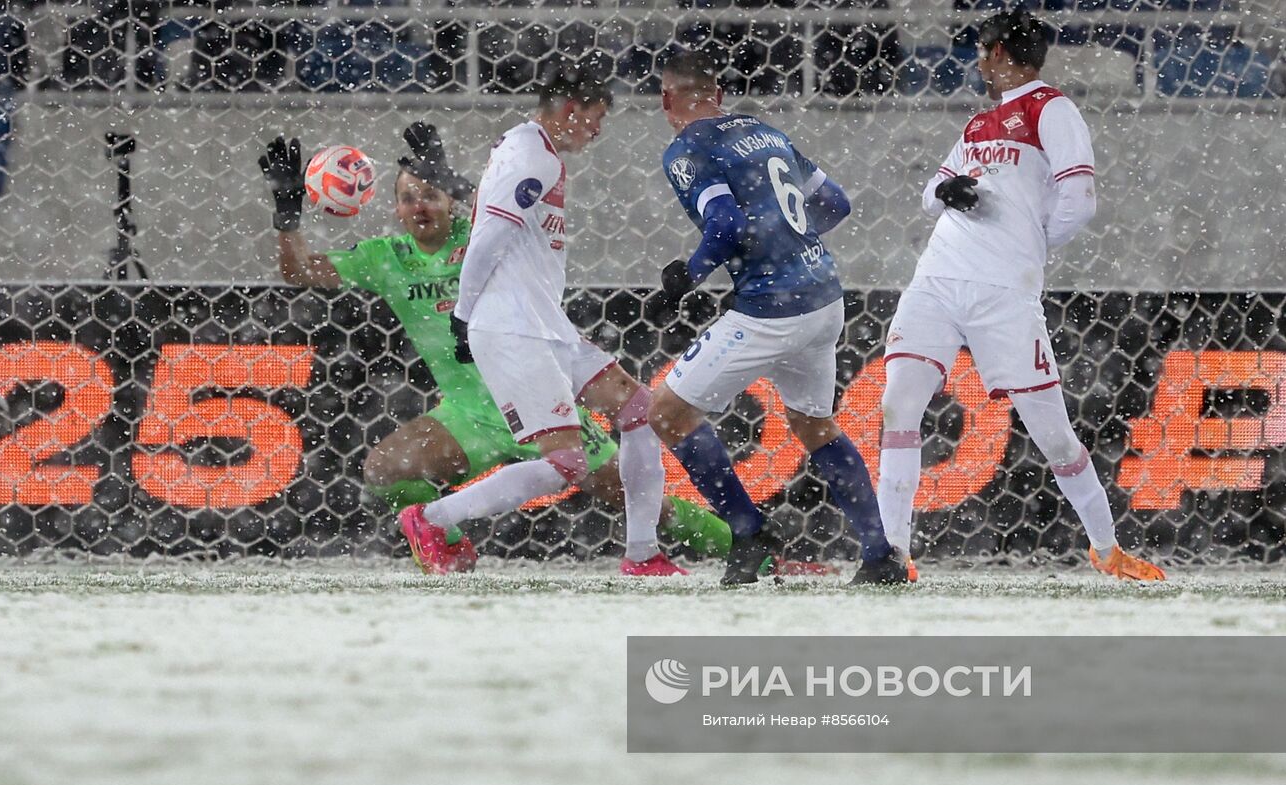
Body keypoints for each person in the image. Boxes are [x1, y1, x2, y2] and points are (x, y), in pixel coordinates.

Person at [258, 122, 730, 574]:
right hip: (472, 413)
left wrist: (458, 180)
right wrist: (286, 214)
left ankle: (744, 546)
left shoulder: (486, 235)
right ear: (395, 211)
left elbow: (516, 209)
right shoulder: (386, 258)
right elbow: (299, 272)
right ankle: (441, 536)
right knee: (384, 468)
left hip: (538, 384)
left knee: (646, 502)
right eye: (407, 198)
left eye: (429, 192)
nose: (419, 205)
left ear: (451, 202)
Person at [877, 9, 1165, 582]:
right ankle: (892, 556)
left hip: (1005, 294)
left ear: (1001, 52)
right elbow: (929, 195)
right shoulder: (979, 125)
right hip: (936, 279)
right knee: (897, 407)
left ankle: (1107, 549)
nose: (978, 60)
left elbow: (1079, 200)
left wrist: (1028, 244)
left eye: (983, 49)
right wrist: (949, 190)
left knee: (1052, 433)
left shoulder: (1051, 109)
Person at [395, 58, 697, 577]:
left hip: (542, 322)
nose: (598, 130)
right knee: (567, 465)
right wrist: (465, 316)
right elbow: (489, 234)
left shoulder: (526, 147)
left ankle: (643, 555)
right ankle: (431, 517)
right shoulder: (535, 157)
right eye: (596, 116)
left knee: (638, 412)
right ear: (571, 109)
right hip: (511, 326)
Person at [647, 50, 908, 587]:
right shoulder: (765, 133)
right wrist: (789, 245)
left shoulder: (687, 147)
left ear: (668, 99)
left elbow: (724, 227)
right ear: (716, 92)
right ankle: (880, 553)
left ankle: (749, 531)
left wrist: (684, 278)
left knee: (668, 412)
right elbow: (836, 204)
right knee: (814, 423)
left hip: (771, 310)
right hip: (824, 298)